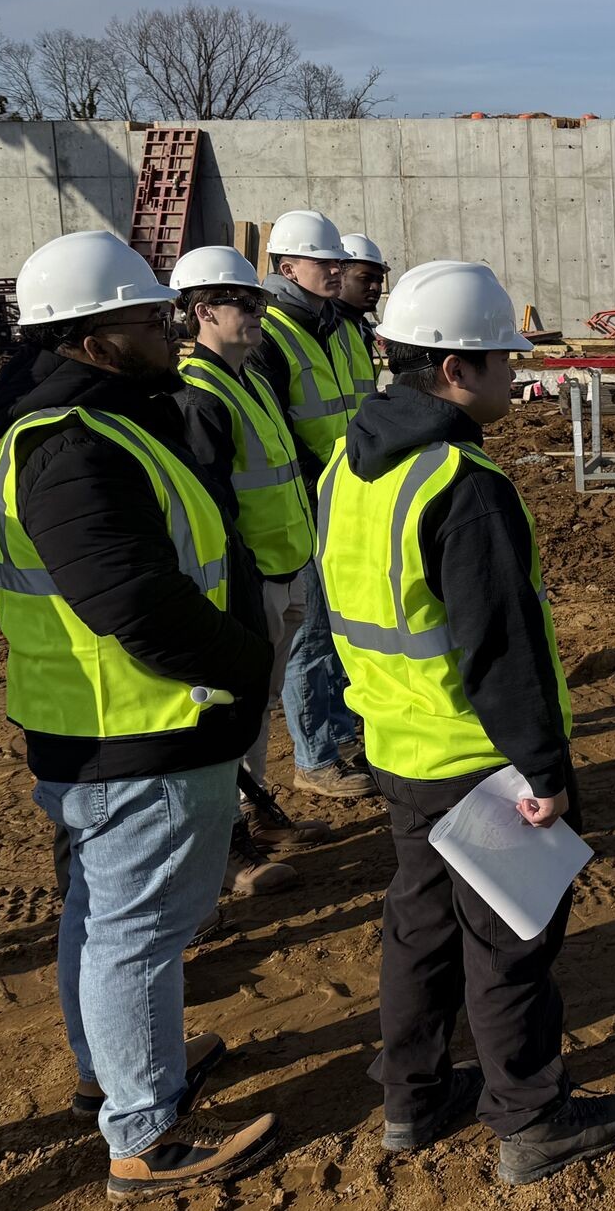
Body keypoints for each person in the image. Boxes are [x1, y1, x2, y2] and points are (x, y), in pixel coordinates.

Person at [315, 259, 615, 1184]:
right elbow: (499, 651)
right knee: (509, 941)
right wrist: (544, 769)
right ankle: (531, 1118)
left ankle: (412, 1099)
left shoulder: (351, 460)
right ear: (456, 371)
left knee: (419, 928)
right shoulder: (461, 482)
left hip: (399, 746)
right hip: (480, 759)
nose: (515, 374)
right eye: (503, 359)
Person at [0, 230, 281, 1197]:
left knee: (106, 916)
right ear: (94, 335)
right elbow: (134, 602)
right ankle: (144, 1132)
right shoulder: (72, 445)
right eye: (148, 315)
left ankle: (107, 1070)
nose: (168, 325)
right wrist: (246, 666)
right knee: (138, 931)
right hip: (139, 729)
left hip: (114, 724)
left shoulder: (95, 421)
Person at [170, 246, 334, 898]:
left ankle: (252, 818)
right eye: (246, 302)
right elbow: (211, 511)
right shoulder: (199, 394)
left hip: (286, 568)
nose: (259, 311)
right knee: (230, 716)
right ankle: (227, 851)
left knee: (256, 712)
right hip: (248, 584)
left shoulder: (250, 377)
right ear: (204, 310)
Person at [249, 209, 373, 802]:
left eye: (335, 262)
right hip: (307, 506)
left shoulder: (339, 327)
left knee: (342, 629)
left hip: (350, 496)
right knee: (312, 637)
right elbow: (275, 430)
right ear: (284, 266)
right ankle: (315, 756)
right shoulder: (270, 332)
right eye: (322, 261)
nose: (334, 270)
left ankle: (343, 737)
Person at [337, 233, 389, 332]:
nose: (376, 287)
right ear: (338, 275)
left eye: (379, 281)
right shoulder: (327, 327)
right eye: (365, 278)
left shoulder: (363, 328)